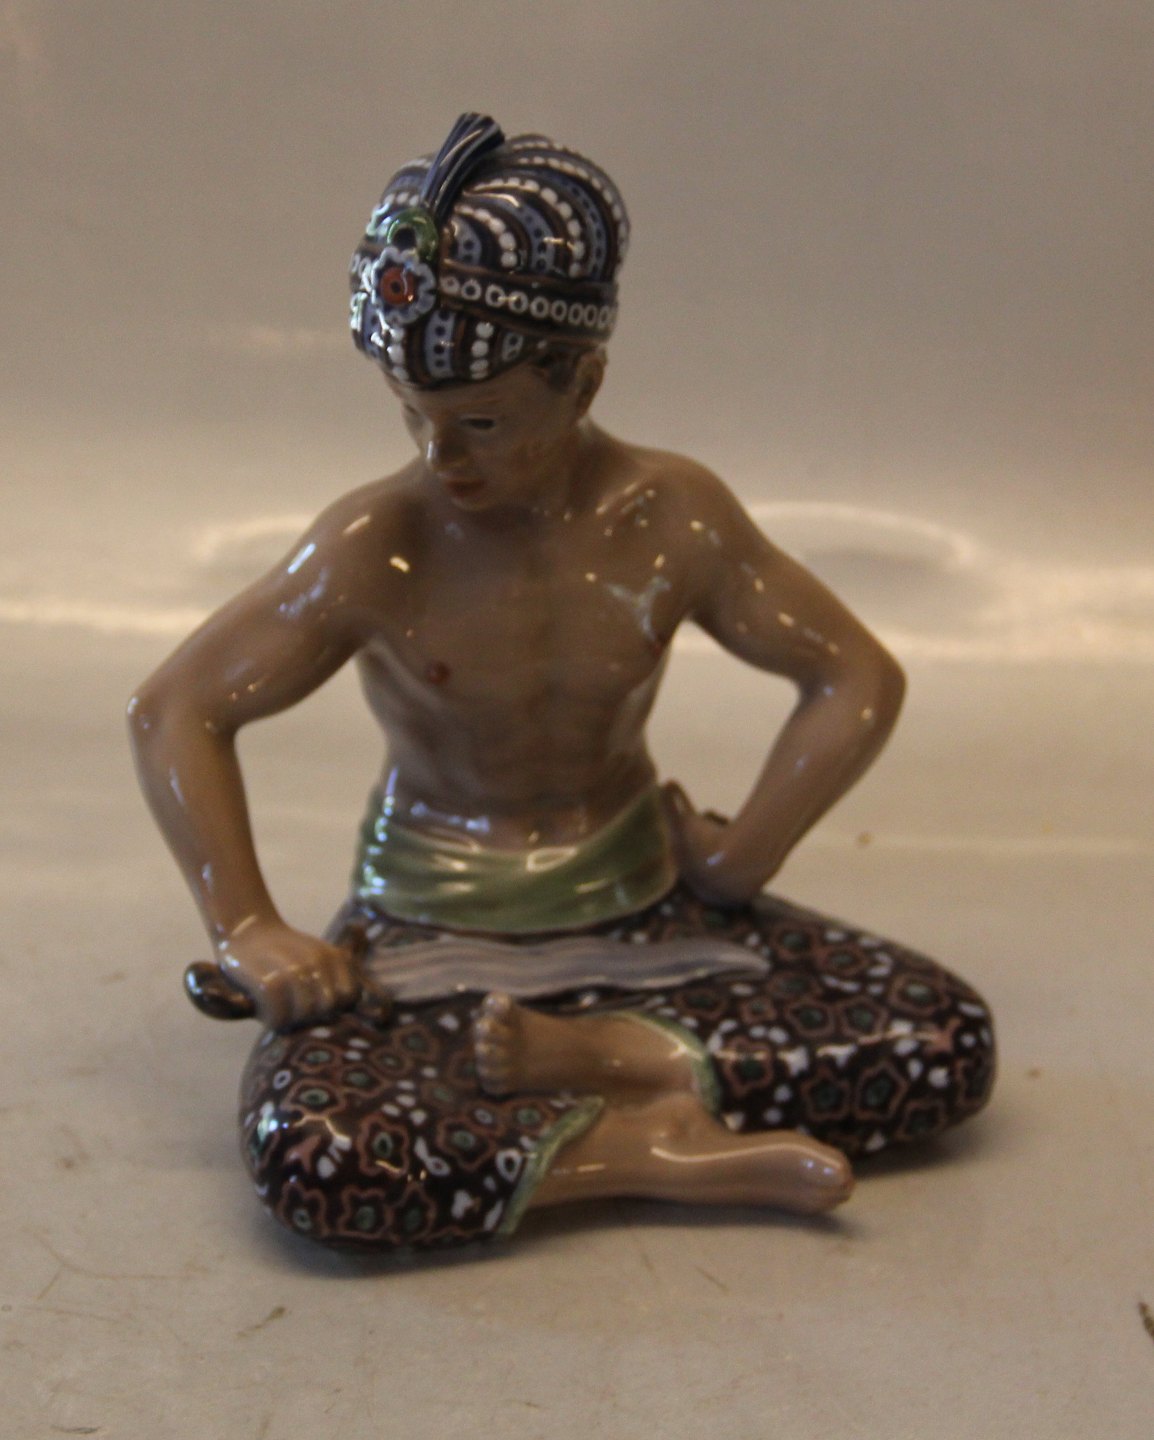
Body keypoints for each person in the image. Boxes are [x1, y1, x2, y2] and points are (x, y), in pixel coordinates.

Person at [128, 115, 994, 1253]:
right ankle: (643, 1145)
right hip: (427, 925)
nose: (440, 456)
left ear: (581, 380)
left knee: (939, 1036)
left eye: (482, 422)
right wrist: (248, 926)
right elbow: (176, 709)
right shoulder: (375, 546)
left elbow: (852, 675)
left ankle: (600, 1065)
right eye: (412, 413)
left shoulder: (672, 518)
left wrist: (742, 857)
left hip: (647, 906)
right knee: (317, 1151)